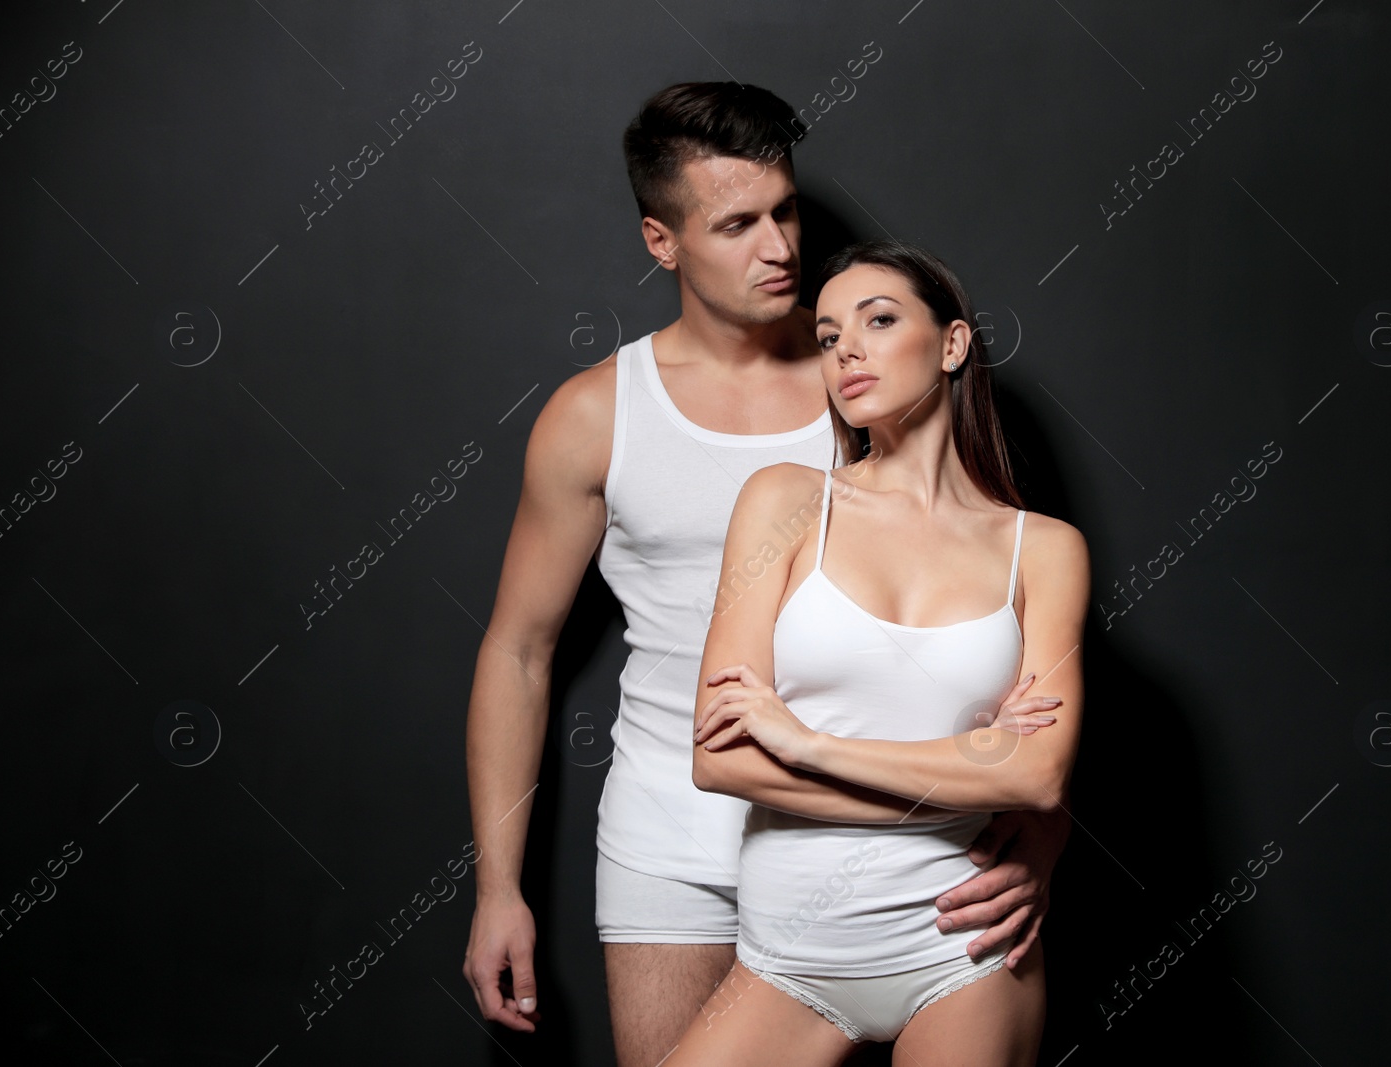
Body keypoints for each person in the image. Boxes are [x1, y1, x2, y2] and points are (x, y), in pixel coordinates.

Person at [461, 82, 1072, 1067]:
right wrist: (498, 887)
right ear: (661, 241)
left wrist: (1038, 831)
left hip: (889, 844)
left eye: (784, 209)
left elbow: (1006, 605)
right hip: (673, 843)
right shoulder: (596, 414)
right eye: (737, 223)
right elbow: (520, 649)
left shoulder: (867, 378)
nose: (779, 246)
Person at [668, 240, 1090, 1066]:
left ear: (953, 343)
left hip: (962, 947)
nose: (846, 350)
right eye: (827, 337)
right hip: (787, 958)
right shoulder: (786, 502)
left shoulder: (1044, 550)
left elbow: (1038, 776)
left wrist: (806, 742)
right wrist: (964, 786)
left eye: (879, 320)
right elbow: (719, 760)